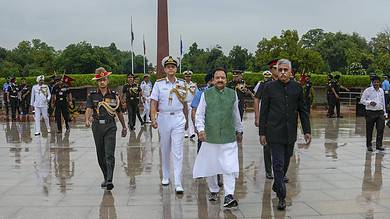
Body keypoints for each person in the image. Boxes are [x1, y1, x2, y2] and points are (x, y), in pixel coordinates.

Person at [259, 59, 311, 210]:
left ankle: (277, 183)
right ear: (276, 71)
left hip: (290, 133)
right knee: (278, 164)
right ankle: (281, 196)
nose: (282, 72)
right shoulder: (269, 87)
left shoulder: (297, 88)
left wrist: (307, 130)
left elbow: (303, 110)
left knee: (286, 162)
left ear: (290, 72)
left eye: (285, 70)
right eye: (279, 69)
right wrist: (262, 133)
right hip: (274, 133)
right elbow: (264, 112)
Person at [193, 67, 243, 208]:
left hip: (228, 136)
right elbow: (200, 114)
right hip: (211, 136)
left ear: (226, 80)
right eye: (217, 77)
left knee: (229, 165)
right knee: (212, 165)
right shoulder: (206, 94)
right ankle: (214, 190)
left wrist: (239, 130)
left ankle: (229, 195)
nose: (220, 80)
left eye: (223, 77)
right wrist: (200, 130)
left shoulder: (232, 94)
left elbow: (235, 114)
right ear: (213, 80)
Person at [150, 56, 188, 194]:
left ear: (176, 68)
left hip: (178, 117)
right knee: (165, 148)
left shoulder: (182, 83)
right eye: (168, 66)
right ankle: (166, 175)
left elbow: (186, 102)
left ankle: (178, 181)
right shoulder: (159, 84)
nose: (171, 68)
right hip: (164, 118)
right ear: (165, 69)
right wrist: (153, 118)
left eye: (173, 66)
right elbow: (153, 102)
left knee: (177, 151)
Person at [85, 67, 127, 191]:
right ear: (97, 82)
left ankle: (110, 180)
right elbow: (89, 109)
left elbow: (118, 112)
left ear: (107, 80)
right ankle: (105, 176)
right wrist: (87, 119)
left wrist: (124, 127)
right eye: (99, 80)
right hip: (97, 126)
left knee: (109, 154)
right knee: (100, 155)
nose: (102, 82)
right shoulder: (92, 95)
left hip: (110, 126)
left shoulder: (114, 95)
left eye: (104, 79)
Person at [254, 69, 275, 180]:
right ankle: (268, 170)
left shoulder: (286, 83)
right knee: (267, 145)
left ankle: (281, 171)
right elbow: (256, 99)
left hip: (280, 119)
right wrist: (257, 117)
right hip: (267, 118)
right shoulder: (264, 85)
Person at [360, 76, 387, 152]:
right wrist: (369, 102)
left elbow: (383, 102)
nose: (376, 83)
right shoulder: (368, 90)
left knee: (380, 129)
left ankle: (379, 145)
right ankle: (369, 145)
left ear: (380, 83)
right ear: (372, 82)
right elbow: (362, 100)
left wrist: (385, 112)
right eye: (375, 82)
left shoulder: (381, 90)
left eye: (378, 82)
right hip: (370, 113)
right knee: (369, 129)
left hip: (380, 112)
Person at [183, 70, 197, 139]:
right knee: (185, 118)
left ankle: (191, 133)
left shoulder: (194, 85)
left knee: (191, 118)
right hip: (184, 103)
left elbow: (196, 94)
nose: (188, 77)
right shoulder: (182, 84)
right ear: (184, 77)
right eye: (186, 76)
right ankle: (185, 132)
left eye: (189, 76)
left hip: (192, 103)